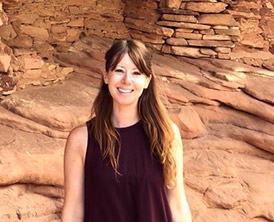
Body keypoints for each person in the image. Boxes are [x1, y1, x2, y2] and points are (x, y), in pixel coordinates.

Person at [61, 39, 192, 222]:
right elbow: (73, 211)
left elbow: (177, 204)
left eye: (136, 73)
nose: (126, 80)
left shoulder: (167, 134)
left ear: (147, 81)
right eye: (119, 71)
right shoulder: (82, 139)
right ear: (106, 76)